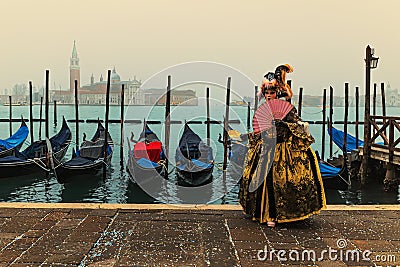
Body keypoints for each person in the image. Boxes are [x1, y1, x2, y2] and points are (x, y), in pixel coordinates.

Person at [238, 70, 326, 227]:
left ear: (277, 93)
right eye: (266, 93)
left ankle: (279, 215)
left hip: (284, 150)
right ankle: (264, 214)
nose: (269, 95)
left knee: (281, 182)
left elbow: (299, 124)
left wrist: (285, 124)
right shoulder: (263, 110)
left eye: (272, 92)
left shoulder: (287, 108)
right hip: (266, 148)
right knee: (262, 181)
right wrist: (246, 136)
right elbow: (260, 132)